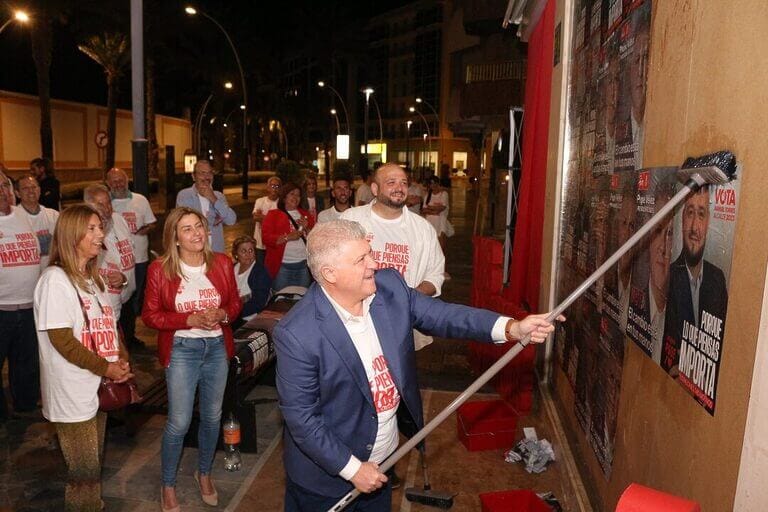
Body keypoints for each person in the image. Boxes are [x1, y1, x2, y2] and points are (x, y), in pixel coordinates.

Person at [274, 220, 563, 511]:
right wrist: (352, 470)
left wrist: (513, 328)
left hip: (381, 464)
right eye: (361, 259)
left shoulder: (388, 286)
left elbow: (443, 315)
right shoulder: (297, 334)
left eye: (370, 253)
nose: (374, 263)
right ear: (329, 273)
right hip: (327, 479)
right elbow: (303, 419)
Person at [141, 207, 242, 511]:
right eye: (187, 229)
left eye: (198, 226)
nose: (197, 233)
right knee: (179, 422)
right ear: (174, 237)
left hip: (216, 350)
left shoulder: (222, 263)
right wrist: (190, 319)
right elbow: (149, 315)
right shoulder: (160, 269)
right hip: (182, 349)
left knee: (212, 418)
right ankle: (168, 485)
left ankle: (205, 473)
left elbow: (235, 303)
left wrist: (223, 314)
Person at [34, 204, 132, 511]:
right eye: (91, 228)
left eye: (99, 227)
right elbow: (62, 341)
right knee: (84, 473)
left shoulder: (90, 279)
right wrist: (106, 367)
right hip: (72, 391)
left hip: (96, 386)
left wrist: (121, 359)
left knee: (92, 466)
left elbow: (109, 324)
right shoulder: (55, 280)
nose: (99, 233)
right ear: (71, 234)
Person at [341, 163, 445, 350]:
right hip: (355, 320)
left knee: (397, 376)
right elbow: (332, 263)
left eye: (404, 183)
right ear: (375, 188)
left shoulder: (422, 229)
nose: (399, 188)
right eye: (391, 182)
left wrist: (408, 298)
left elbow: (435, 275)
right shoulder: (351, 220)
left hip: (400, 325)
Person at [662, 187, 728, 373]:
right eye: (690, 213)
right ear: (681, 218)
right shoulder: (668, 276)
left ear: (708, 222)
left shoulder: (717, 280)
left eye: (701, 214)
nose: (694, 228)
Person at [0, 168, 42, 422]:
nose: (2, 192)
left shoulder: (22, 216)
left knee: (26, 362)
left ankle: (25, 405)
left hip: (28, 306)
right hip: (1, 308)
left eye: (5, 185)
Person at [107, 167, 157, 347]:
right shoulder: (106, 202)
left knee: (134, 298)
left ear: (127, 180)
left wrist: (142, 231)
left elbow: (152, 223)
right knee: (115, 299)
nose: (118, 184)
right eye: (113, 181)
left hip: (138, 258)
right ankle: (116, 336)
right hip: (114, 263)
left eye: (120, 180)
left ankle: (129, 335)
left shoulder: (140, 200)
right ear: (108, 183)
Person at [84, 184, 138, 350]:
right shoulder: (85, 231)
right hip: (104, 304)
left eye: (108, 202)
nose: (106, 208)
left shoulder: (119, 219)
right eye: (100, 204)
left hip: (125, 292)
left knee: (123, 340)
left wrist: (123, 278)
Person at [262, 183, 315, 291]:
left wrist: (306, 228)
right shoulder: (273, 215)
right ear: (284, 197)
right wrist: (288, 237)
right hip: (282, 267)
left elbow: (315, 240)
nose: (295, 197)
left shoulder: (305, 215)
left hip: (303, 266)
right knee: (280, 300)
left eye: (298, 195)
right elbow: (266, 238)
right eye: (292, 194)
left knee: (301, 300)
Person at [176, 160, 237, 253]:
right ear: (193, 176)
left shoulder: (219, 196)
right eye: (202, 173)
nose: (207, 177)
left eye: (209, 173)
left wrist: (213, 198)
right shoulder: (184, 195)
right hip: (194, 253)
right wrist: (213, 219)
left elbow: (231, 220)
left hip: (216, 252)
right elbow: (184, 223)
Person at [15, 175, 59, 268]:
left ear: (39, 190)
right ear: (17, 193)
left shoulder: (54, 216)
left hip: (51, 270)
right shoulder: (13, 218)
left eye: (34, 187)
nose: (31, 191)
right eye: (25, 188)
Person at [231, 235, 272, 327]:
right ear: (236, 254)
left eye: (251, 250)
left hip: (250, 320)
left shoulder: (260, 272)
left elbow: (258, 303)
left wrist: (232, 314)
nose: (248, 255)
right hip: (233, 317)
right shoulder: (232, 269)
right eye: (243, 251)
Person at [252, 176, 282, 255]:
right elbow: (255, 217)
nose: (274, 188)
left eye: (277, 186)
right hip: (260, 243)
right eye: (272, 186)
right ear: (268, 187)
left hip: (275, 244)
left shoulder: (282, 204)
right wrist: (273, 219)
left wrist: (262, 217)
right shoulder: (260, 201)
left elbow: (280, 223)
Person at [421, 175, 451, 250]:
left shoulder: (444, 194)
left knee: (441, 244)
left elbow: (442, 208)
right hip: (430, 221)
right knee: (430, 243)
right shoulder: (427, 195)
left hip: (441, 221)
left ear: (438, 183)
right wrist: (434, 211)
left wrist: (430, 208)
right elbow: (424, 209)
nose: (433, 185)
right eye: (431, 183)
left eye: (435, 183)